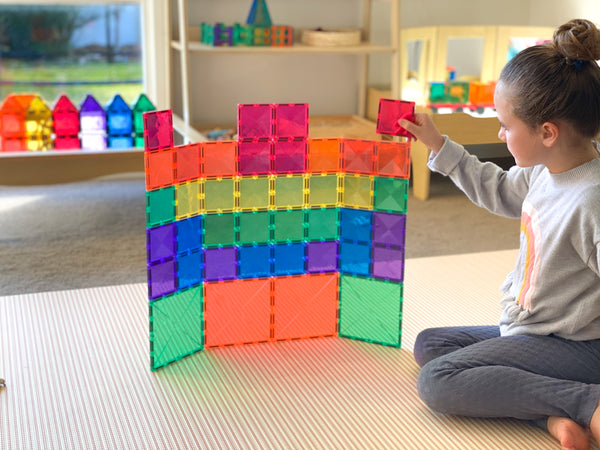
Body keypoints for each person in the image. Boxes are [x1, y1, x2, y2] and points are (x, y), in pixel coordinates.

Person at [398, 18, 600, 450]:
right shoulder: (546, 169)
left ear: (548, 133)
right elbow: (501, 190)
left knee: (438, 380)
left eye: (506, 126)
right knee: (431, 344)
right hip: (534, 330)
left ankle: (587, 403)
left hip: (575, 345)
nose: (499, 133)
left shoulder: (591, 200)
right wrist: (438, 144)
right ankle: (550, 415)